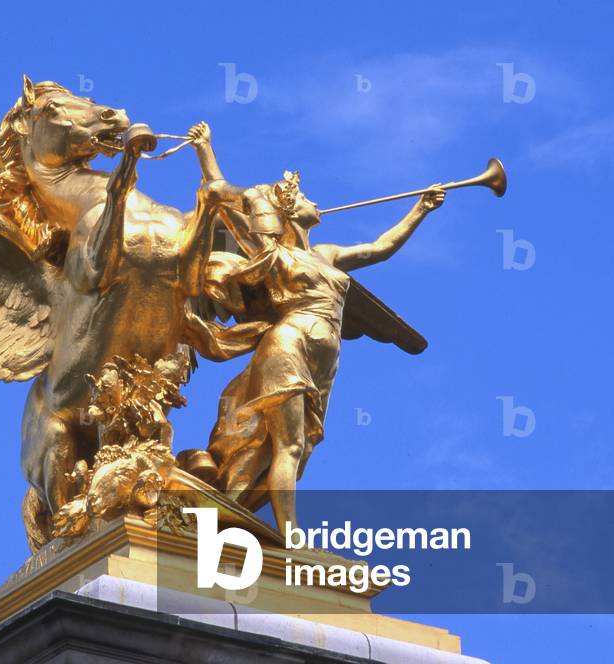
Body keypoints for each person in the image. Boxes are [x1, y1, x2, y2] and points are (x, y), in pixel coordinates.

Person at [186, 122, 445, 530]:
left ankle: (225, 507)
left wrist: (421, 209)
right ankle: (290, 537)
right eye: (304, 197)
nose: (314, 201)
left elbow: (381, 247)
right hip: (289, 343)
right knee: (287, 445)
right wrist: (205, 149)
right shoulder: (270, 252)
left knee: (295, 446)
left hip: (322, 361)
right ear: (288, 209)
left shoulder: (327, 254)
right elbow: (223, 198)